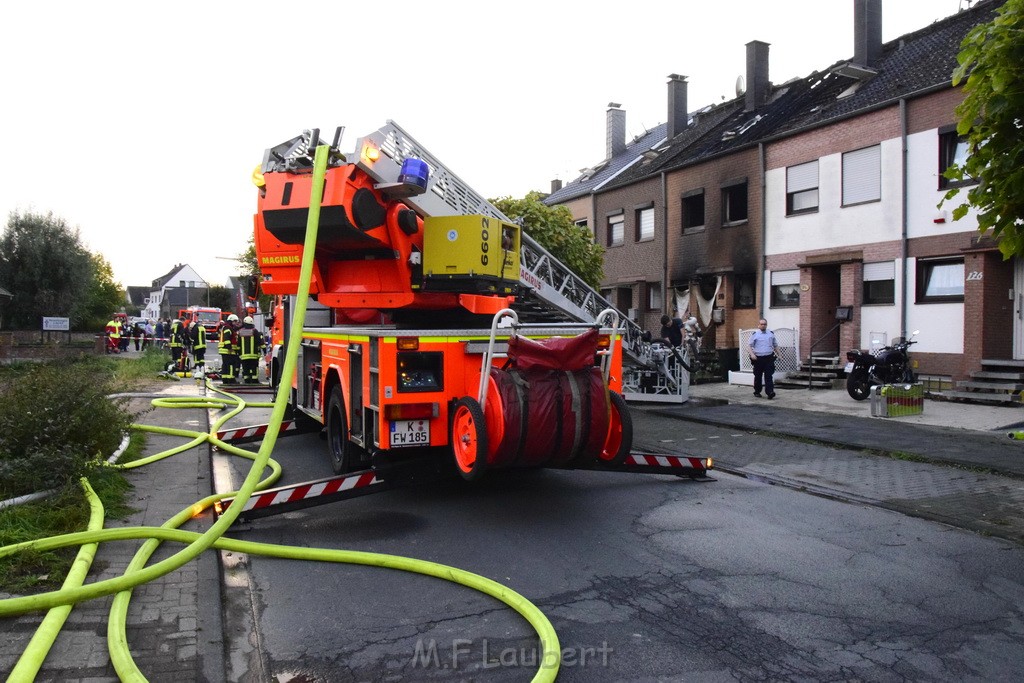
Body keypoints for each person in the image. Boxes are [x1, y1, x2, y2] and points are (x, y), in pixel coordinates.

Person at [748, 318, 779, 399]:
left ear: (766, 325)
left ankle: (770, 392)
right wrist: (752, 354)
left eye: (764, 324)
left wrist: (780, 354)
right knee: (758, 376)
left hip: (768, 357)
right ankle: (757, 391)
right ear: (758, 325)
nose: (763, 325)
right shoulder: (755, 334)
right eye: (761, 324)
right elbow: (749, 346)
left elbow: (775, 345)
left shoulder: (771, 334)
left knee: (769, 376)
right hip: (758, 359)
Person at [237, 316, 262, 384]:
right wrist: (262, 350)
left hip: (244, 355)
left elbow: (238, 344)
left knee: (245, 368)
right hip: (253, 355)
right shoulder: (254, 331)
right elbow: (259, 341)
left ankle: (247, 380)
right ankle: (254, 380)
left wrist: (239, 353)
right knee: (254, 367)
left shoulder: (240, 331)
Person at [219, 314, 240, 385]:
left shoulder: (227, 327)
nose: (236, 323)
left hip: (225, 350)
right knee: (231, 365)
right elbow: (227, 339)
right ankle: (231, 379)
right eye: (235, 321)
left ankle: (225, 379)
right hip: (228, 350)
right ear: (231, 321)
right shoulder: (228, 328)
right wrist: (230, 348)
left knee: (225, 365)